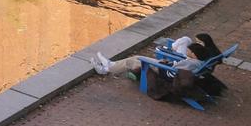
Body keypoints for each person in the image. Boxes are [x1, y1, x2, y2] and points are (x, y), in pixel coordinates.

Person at [93, 33, 228, 99]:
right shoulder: (198, 62)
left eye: (189, 51)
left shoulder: (189, 62)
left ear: (193, 54)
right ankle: (109, 66)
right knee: (136, 59)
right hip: (168, 68)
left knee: (134, 60)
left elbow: (174, 70)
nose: (187, 51)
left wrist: (165, 64)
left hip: (164, 71)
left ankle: (107, 68)